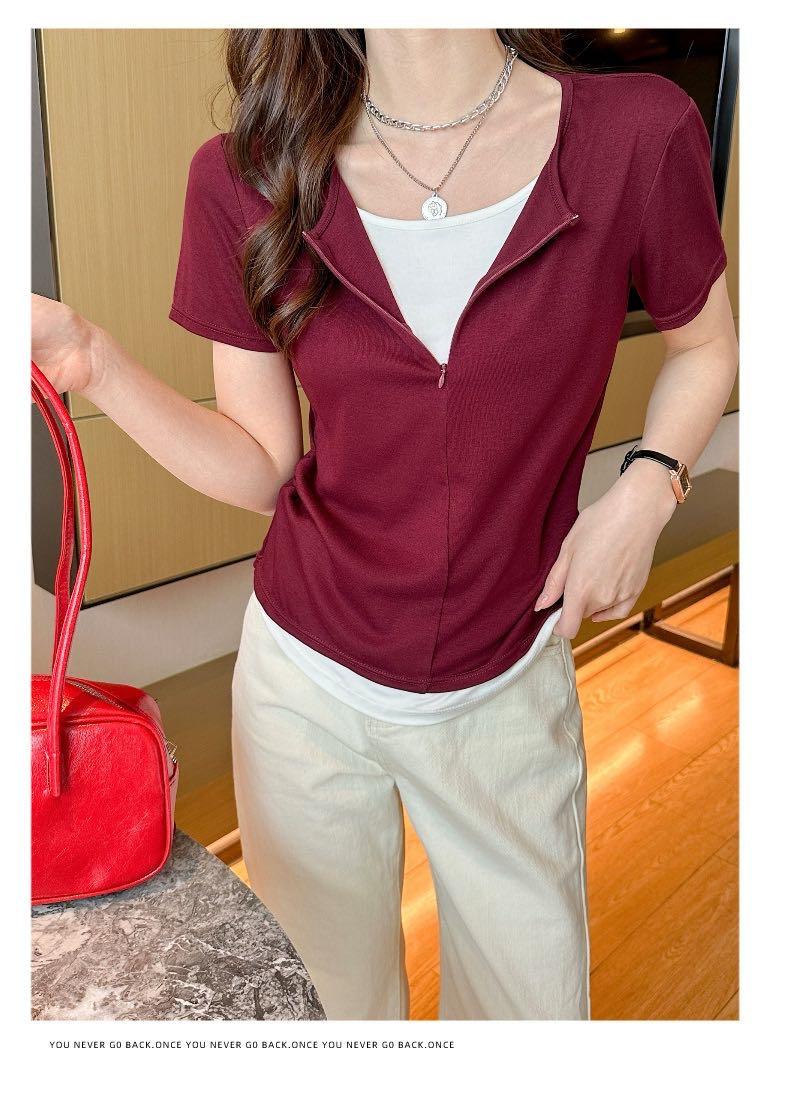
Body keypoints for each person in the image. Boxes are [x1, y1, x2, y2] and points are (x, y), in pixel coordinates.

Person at [31, 29, 739, 1020]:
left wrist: (648, 489)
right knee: (330, 1015)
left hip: (507, 670)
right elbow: (263, 467)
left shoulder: (636, 132)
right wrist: (94, 362)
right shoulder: (245, 174)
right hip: (302, 683)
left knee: (530, 1016)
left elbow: (707, 346)